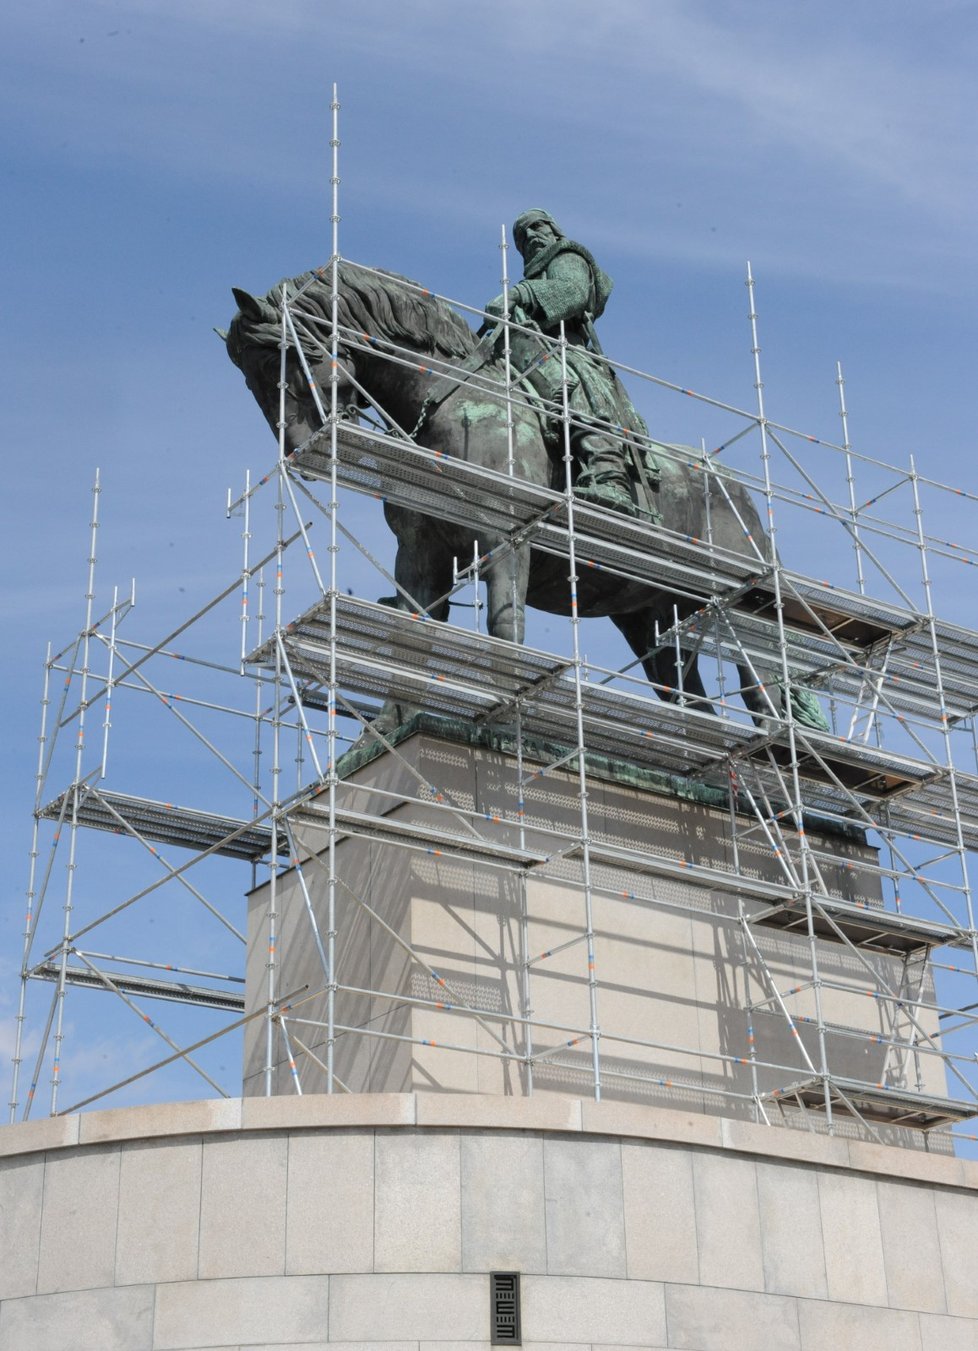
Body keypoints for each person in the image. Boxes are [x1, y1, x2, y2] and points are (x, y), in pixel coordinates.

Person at [485, 209, 650, 516]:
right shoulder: (534, 279)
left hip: (567, 347)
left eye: (536, 227)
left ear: (553, 230)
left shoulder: (568, 255)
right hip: (529, 347)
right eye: (522, 237)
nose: (530, 236)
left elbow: (573, 292)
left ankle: (608, 473)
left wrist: (520, 295)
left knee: (572, 382)